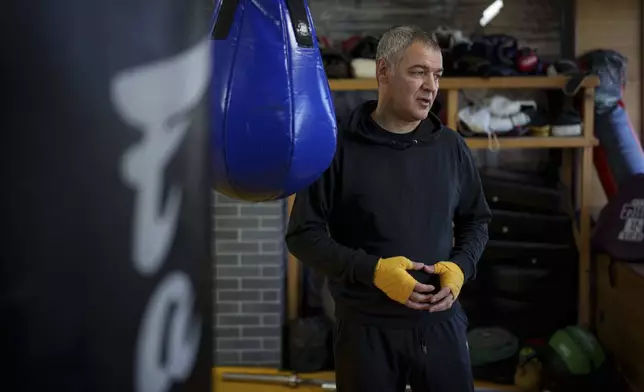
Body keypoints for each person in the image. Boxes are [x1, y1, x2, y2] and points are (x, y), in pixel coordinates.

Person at [286, 25, 492, 392]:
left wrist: (462, 267)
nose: (431, 85)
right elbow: (303, 236)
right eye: (418, 72)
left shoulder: (451, 147)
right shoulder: (337, 148)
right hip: (365, 331)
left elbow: (476, 220)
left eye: (437, 75)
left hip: (441, 325)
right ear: (383, 72)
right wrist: (373, 270)